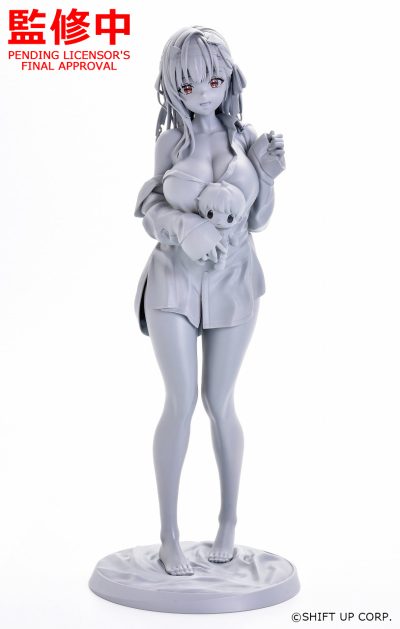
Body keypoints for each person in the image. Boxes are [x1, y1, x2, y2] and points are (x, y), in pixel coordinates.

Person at [134, 26, 285, 576]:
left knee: (220, 401)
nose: (202, 92)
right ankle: (168, 535)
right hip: (173, 278)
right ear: (173, 86)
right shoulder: (171, 144)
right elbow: (149, 208)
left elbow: (258, 220)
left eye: (213, 79)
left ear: (228, 79)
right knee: (179, 401)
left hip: (234, 279)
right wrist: (183, 226)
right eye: (188, 83)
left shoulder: (246, 140)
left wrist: (268, 177)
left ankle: (228, 522)